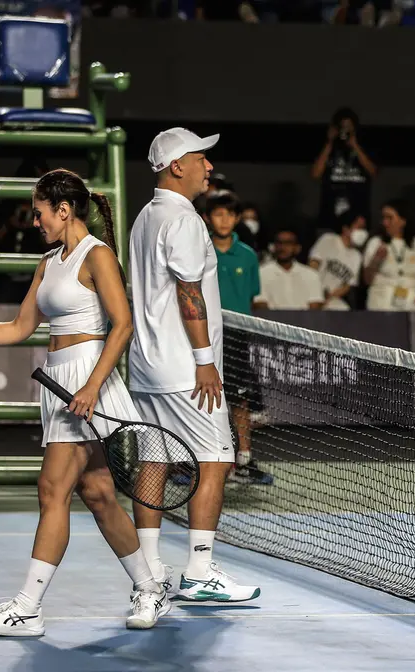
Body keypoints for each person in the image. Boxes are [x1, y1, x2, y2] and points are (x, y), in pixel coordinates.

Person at [0, 169, 167, 636]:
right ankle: (151, 585)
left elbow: (121, 326)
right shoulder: (49, 261)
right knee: (99, 494)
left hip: (86, 379)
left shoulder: (96, 256)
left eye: (40, 212)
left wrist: (93, 386)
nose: (35, 221)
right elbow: (21, 327)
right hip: (59, 381)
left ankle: (28, 607)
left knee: (51, 489)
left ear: (64, 210)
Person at [128, 127, 260, 603]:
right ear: (176, 165)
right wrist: (206, 362)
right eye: (201, 158)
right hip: (186, 369)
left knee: (154, 458)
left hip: (147, 366)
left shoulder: (144, 218)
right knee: (217, 459)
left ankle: (150, 569)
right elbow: (188, 294)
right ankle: (200, 570)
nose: (208, 166)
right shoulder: (184, 221)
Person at [203, 191, 265, 482]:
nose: (224, 219)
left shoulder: (248, 256)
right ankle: (208, 457)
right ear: (207, 218)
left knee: (240, 399)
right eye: (218, 213)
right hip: (207, 335)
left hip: (238, 337)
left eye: (229, 214)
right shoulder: (202, 252)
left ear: (238, 219)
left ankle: (244, 459)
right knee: (206, 396)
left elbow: (251, 296)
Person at [311, 106, 377, 234]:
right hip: (329, 217)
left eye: (349, 127)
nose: (345, 131)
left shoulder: (364, 147)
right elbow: (315, 174)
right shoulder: (328, 148)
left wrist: (355, 146)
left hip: (358, 218)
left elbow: (373, 172)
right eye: (342, 126)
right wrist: (329, 143)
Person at [361, 199, 415, 312]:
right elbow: (367, 279)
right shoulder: (376, 242)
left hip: (411, 301)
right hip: (380, 302)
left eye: (390, 218)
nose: (385, 222)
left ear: (403, 220)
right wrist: (376, 260)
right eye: (384, 218)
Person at [256, 229, 327, 310]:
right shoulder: (261, 272)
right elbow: (260, 305)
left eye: (288, 243)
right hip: (272, 321)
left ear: (297, 248)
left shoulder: (311, 275)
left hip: (304, 322)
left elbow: (315, 308)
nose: (282, 247)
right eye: (279, 243)